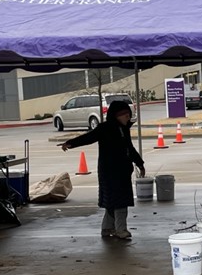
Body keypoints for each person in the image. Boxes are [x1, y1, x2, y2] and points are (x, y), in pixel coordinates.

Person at [59, 100, 145, 239]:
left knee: (112, 202)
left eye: (128, 114)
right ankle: (121, 230)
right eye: (124, 115)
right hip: (110, 172)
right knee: (120, 202)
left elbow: (130, 148)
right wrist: (70, 143)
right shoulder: (105, 128)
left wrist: (139, 163)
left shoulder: (124, 129)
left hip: (122, 172)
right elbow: (89, 137)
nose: (127, 117)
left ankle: (107, 228)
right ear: (116, 116)